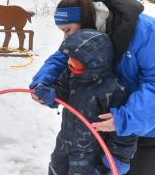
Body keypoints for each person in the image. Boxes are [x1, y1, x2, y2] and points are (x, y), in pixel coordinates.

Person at [30, 0, 155, 175]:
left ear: (86, 20)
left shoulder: (145, 31)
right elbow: (61, 56)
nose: (65, 38)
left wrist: (126, 119)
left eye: (67, 30)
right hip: (102, 127)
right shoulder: (86, 35)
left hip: (143, 128)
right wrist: (43, 82)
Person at [34, 29, 137, 175]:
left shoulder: (114, 90)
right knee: (56, 170)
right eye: (69, 60)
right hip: (64, 146)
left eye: (75, 64)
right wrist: (51, 94)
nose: (69, 65)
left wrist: (119, 157)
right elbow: (62, 89)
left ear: (94, 64)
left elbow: (123, 129)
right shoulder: (72, 75)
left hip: (90, 157)